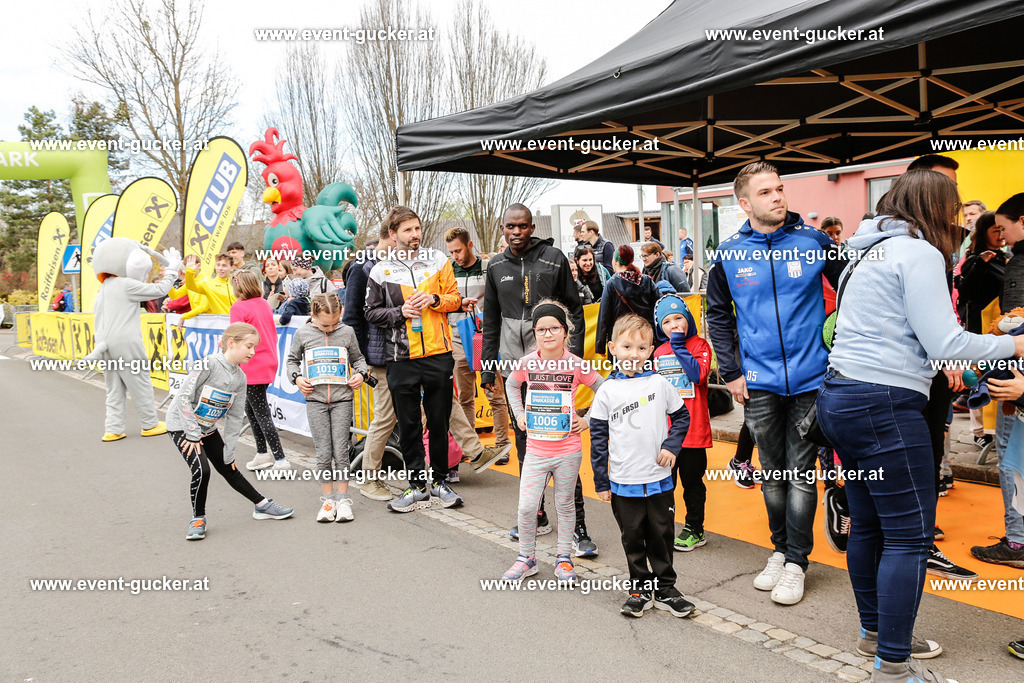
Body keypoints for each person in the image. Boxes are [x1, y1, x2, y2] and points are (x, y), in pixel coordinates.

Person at [818, 170, 1021, 682]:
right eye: (954, 212)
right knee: (908, 539)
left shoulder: (867, 250)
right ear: (936, 210)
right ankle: (893, 664)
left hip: (840, 398)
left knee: (866, 526)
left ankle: (875, 636)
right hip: (885, 405)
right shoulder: (920, 253)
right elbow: (946, 343)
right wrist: (1014, 345)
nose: (958, 223)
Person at [706, 161, 846, 605]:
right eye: (766, 192)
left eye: (780, 189)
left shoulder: (814, 242)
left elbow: (857, 291)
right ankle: (780, 549)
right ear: (744, 203)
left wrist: (839, 349)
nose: (778, 197)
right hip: (759, 383)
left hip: (810, 381)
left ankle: (796, 563)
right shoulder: (729, 254)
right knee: (772, 476)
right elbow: (717, 315)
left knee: (801, 475)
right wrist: (731, 372)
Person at [481, 203, 597, 556]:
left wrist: (570, 357)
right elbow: (490, 319)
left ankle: (577, 527)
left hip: (554, 367)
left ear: (532, 227)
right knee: (526, 441)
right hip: (516, 363)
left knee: (561, 441)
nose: (516, 232)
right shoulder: (496, 265)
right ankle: (539, 515)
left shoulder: (554, 257)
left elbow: (574, 308)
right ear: (503, 229)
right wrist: (488, 368)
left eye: (522, 226)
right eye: (510, 227)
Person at [590, 314, 694, 618]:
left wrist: (671, 446)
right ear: (612, 348)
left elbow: (682, 418)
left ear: (650, 351)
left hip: (659, 479)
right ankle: (639, 588)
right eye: (626, 347)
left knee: (661, 534)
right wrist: (601, 480)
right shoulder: (607, 391)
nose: (633, 354)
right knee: (632, 537)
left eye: (641, 348)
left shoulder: (660, 384)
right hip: (624, 481)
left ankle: (666, 589)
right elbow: (598, 439)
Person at [365, 206, 464, 512]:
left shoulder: (438, 260)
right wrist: (399, 312)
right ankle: (417, 486)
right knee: (408, 425)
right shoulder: (380, 269)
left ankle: (439, 482)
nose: (415, 235)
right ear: (392, 235)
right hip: (400, 357)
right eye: (407, 230)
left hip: (438, 355)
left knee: (438, 422)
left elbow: (455, 300)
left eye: (418, 228)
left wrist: (434, 300)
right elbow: (370, 312)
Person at [501, 300, 604, 582]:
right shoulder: (527, 363)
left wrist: (588, 420)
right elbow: (511, 384)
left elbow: (603, 389)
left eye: (554, 328)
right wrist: (519, 415)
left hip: (568, 449)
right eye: (541, 329)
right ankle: (526, 558)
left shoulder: (576, 364)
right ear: (534, 332)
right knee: (526, 506)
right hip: (536, 449)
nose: (548, 334)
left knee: (565, 504)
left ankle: (563, 559)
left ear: (564, 331)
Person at [166, 321, 295, 540]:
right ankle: (198, 518)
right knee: (202, 470)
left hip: (206, 427)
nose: (253, 352)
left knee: (229, 466)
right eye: (248, 346)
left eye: (255, 347)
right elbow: (183, 398)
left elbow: (235, 416)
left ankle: (262, 505)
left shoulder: (241, 378)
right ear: (231, 343)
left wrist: (230, 449)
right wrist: (192, 434)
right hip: (182, 425)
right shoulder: (207, 364)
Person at [972, 193, 1024, 572]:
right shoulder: (1010, 260)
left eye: (1003, 229)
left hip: (1017, 383)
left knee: (1013, 460)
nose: (1001, 237)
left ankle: (1018, 541)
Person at [86, 238, 180, 442]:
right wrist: (171, 271)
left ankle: (113, 428)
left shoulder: (105, 287)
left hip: (104, 343)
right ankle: (150, 423)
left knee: (114, 387)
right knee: (140, 382)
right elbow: (159, 291)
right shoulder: (126, 284)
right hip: (126, 341)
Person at [287, 292, 367, 523]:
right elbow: (292, 360)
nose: (330, 329)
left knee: (341, 451)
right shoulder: (303, 333)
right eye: (325, 324)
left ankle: (343, 501)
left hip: (342, 399)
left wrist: (361, 375)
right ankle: (328, 500)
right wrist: (297, 378)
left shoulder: (347, 331)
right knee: (323, 453)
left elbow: (358, 359)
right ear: (313, 315)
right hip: (315, 400)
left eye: (335, 323)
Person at [445, 226, 512, 469]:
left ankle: (502, 444)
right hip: (456, 339)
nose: (456, 256)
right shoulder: (447, 270)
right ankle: (470, 447)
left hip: (485, 338)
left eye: (459, 250)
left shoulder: (488, 268)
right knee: (464, 396)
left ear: (470, 245)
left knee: (494, 392)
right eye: (451, 252)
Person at [652, 294, 712, 551]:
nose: (674, 325)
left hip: (694, 432)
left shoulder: (700, 346)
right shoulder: (658, 352)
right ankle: (664, 526)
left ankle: (695, 528)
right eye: (667, 321)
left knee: (692, 484)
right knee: (666, 484)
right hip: (667, 435)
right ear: (659, 327)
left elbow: (698, 374)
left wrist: (679, 346)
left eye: (679, 318)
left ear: (688, 319)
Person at [230, 271, 290, 471]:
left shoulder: (238, 307)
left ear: (238, 287)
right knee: (251, 409)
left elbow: (236, 337)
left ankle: (280, 459)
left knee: (261, 413)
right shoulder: (264, 303)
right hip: (268, 359)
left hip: (251, 363)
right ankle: (262, 453)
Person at [596, 245, 661, 355]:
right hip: (645, 336)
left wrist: (600, 346)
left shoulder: (612, 283)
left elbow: (604, 317)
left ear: (615, 261)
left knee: (623, 369)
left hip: (621, 337)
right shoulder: (646, 280)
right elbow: (660, 306)